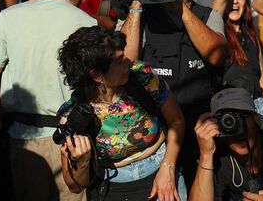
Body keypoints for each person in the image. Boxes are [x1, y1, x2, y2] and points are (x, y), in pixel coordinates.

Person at [0, 0, 93, 201]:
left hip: (23, 140)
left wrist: (4, 123)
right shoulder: (87, 23)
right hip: (74, 143)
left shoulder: (8, 18)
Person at [120, 0, 227, 189]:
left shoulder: (208, 15)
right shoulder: (143, 16)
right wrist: (136, 4)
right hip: (153, 140)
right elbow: (124, 61)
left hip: (200, 137)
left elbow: (216, 55)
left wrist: (179, 8)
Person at [56, 26, 184, 201]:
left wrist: (168, 168)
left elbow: (177, 121)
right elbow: (74, 187)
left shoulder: (144, 77)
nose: (128, 61)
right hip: (112, 189)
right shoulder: (74, 116)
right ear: (96, 75)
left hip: (162, 178)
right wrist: (82, 162)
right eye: (118, 61)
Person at [190, 87, 263, 201]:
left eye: (241, 117)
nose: (236, 129)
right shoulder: (219, 159)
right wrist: (206, 155)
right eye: (228, 122)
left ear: (256, 121)